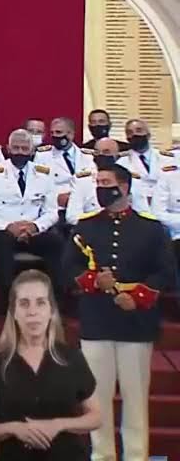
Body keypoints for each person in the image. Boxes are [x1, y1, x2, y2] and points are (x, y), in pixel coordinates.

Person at [63, 165, 175, 461]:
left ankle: (136, 455)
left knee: (135, 396)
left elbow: (165, 273)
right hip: (97, 321)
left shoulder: (150, 229)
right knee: (97, 397)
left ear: (124, 187)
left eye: (106, 182)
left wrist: (138, 296)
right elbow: (68, 268)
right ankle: (102, 455)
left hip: (136, 325)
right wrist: (92, 280)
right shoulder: (85, 226)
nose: (100, 187)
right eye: (97, 182)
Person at [0, 270, 101, 461]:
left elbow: (96, 417)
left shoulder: (71, 358)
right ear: (14, 312)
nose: (32, 312)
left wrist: (58, 425)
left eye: (40, 303)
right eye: (24, 304)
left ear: (51, 311)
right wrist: (15, 428)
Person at [0, 129, 62, 313]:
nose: (20, 152)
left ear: (32, 151)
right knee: (0, 243)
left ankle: (55, 300)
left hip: (34, 232)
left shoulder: (44, 174)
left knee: (56, 242)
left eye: (24, 148)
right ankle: (8, 301)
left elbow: (52, 212)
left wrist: (35, 226)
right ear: (8, 148)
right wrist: (8, 226)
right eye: (16, 148)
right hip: (4, 232)